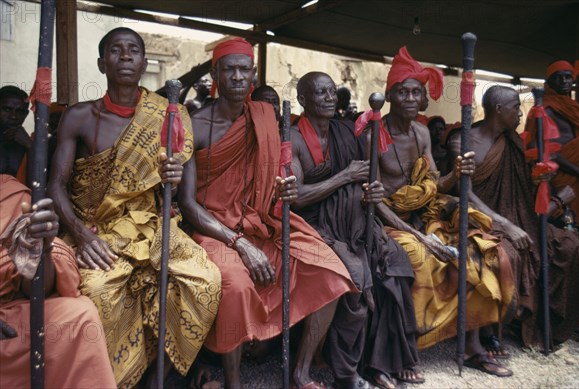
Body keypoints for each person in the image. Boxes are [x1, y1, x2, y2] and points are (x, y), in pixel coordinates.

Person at [47, 27, 222, 388]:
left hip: (150, 226)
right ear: (101, 62)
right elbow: (56, 186)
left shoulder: (170, 116)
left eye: (133, 50)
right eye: (116, 50)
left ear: (144, 62)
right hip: (94, 229)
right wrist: (81, 237)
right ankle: (111, 378)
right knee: (97, 290)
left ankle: (163, 374)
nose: (125, 56)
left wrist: (171, 176)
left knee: (207, 281)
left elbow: (181, 195)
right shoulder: (78, 116)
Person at [179, 38, 355, 389]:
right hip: (211, 229)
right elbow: (188, 205)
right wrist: (239, 244)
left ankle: (301, 371)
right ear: (215, 74)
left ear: (254, 74)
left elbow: (272, 178)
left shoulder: (263, 117)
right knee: (235, 285)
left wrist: (284, 191)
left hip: (260, 221)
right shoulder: (195, 125)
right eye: (229, 69)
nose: (237, 77)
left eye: (244, 70)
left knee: (330, 268)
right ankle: (233, 380)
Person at [376, 47, 514, 378]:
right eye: (402, 92)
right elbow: (374, 201)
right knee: (419, 260)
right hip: (386, 223)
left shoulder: (422, 132)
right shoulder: (373, 135)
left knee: (478, 254)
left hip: (426, 216)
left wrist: (457, 172)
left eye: (415, 92)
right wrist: (417, 235)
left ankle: (472, 347)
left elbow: (437, 185)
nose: (410, 98)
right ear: (390, 95)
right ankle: (407, 353)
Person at [292, 71, 420, 389]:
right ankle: (343, 371)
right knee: (355, 274)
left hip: (356, 220)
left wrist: (371, 193)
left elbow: (366, 182)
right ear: (302, 99)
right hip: (314, 225)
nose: (329, 97)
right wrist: (343, 177)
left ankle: (379, 363)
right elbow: (295, 198)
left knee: (394, 262)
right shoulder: (293, 138)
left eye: (332, 92)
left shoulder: (347, 132)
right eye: (320, 93)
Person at [448, 85, 579, 348]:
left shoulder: (513, 142)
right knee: (507, 253)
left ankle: (554, 322)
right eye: (516, 106)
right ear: (499, 109)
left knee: (570, 247)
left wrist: (540, 179)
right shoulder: (463, 141)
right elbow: (465, 192)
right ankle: (491, 330)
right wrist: (504, 224)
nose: (520, 112)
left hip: (519, 216)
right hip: (481, 219)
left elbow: (522, 186)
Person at [0, 174, 117, 389]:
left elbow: (35, 289)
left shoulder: (12, 193)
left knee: (79, 315)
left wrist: (40, 249)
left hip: (8, 313)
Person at [524, 60, 579, 234]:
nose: (564, 82)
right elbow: (541, 148)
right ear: (550, 82)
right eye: (558, 78)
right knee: (566, 224)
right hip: (560, 175)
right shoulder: (544, 109)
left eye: (568, 77)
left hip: (577, 174)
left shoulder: (571, 105)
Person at [0, 86, 31, 183]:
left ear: (26, 114)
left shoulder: (28, 143)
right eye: (7, 109)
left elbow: (38, 184)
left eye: (20, 111)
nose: (13, 116)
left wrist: (30, 146)